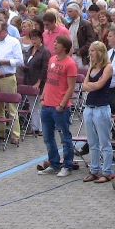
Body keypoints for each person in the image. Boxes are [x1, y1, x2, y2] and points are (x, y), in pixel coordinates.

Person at [39, 34, 77, 177]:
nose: (54, 44)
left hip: (60, 106)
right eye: (54, 42)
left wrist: (62, 104)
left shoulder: (70, 63)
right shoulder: (52, 59)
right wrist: (43, 96)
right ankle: (54, 163)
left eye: (58, 43)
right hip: (47, 104)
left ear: (65, 47)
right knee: (48, 137)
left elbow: (71, 87)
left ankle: (67, 165)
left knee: (65, 137)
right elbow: (48, 80)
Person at [81, 41, 114, 183]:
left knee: (104, 142)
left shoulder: (108, 67)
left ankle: (106, 171)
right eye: (90, 50)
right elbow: (84, 85)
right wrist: (91, 85)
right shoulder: (91, 66)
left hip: (102, 107)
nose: (90, 53)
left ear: (100, 52)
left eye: (93, 51)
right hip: (89, 106)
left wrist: (90, 85)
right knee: (92, 141)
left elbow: (100, 85)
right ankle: (94, 169)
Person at [0, 18, 24, 146]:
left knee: (11, 107)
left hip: (8, 76)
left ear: (5, 30)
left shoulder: (14, 42)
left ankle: (15, 134)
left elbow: (19, 61)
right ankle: (1, 132)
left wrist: (6, 61)